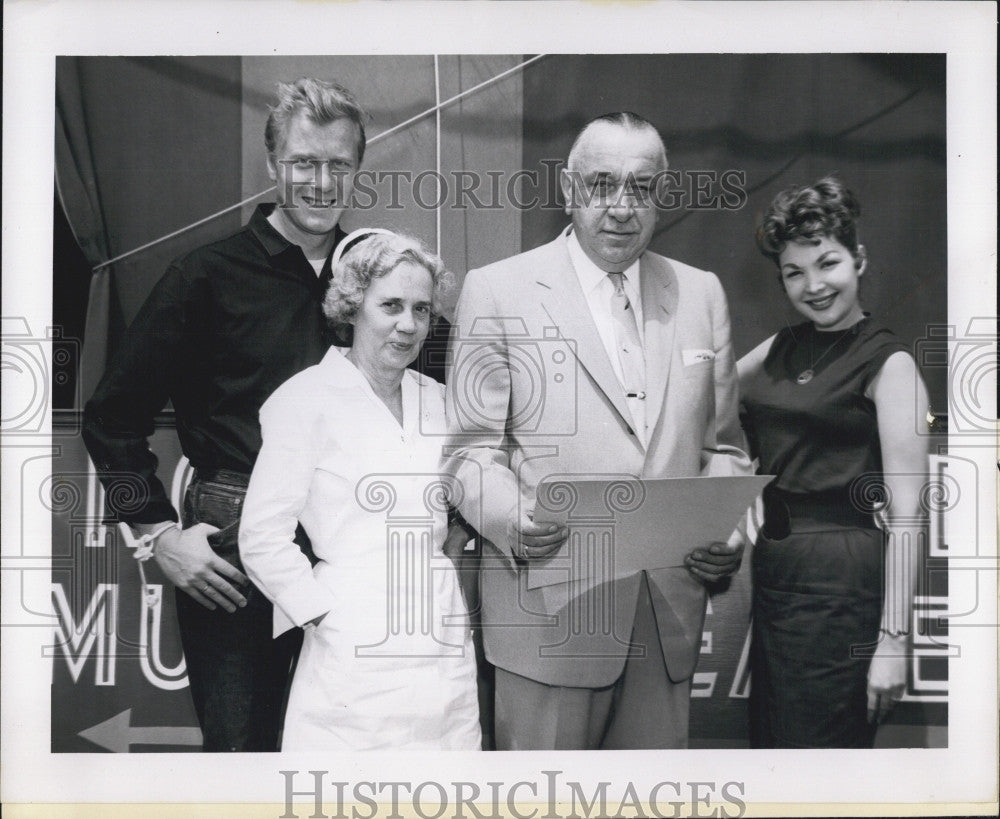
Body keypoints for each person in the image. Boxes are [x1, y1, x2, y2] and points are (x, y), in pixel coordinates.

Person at [443, 112, 754, 750]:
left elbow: (724, 448)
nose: (620, 207)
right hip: (549, 606)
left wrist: (722, 527)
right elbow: (470, 454)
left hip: (667, 612)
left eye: (640, 188)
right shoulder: (497, 291)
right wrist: (512, 520)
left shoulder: (701, 294)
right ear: (568, 188)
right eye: (601, 184)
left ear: (662, 195)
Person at [82, 78, 368, 751]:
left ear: (358, 168)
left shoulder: (377, 281)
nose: (321, 182)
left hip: (355, 548)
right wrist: (155, 534)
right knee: (243, 758)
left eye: (339, 165)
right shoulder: (205, 276)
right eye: (304, 162)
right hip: (234, 558)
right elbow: (110, 417)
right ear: (274, 166)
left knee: (347, 753)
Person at [238, 232, 481, 750]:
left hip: (440, 637)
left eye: (421, 308)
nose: (408, 324)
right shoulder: (304, 400)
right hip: (349, 643)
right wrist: (324, 615)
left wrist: (452, 554)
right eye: (390, 305)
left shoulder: (440, 401)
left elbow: (470, 492)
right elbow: (261, 536)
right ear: (352, 306)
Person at [738, 176, 929, 747]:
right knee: (773, 755)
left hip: (845, 582)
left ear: (859, 259)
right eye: (795, 273)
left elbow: (908, 521)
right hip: (776, 573)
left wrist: (894, 642)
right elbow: (704, 392)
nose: (814, 286)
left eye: (827, 264)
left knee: (821, 764)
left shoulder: (889, 363)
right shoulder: (780, 346)